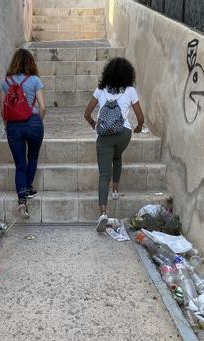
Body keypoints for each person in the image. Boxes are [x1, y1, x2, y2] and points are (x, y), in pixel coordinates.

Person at [83, 57, 144, 232]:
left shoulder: (101, 90)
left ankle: (103, 213)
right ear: (128, 74)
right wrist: (139, 127)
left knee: (103, 175)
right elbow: (140, 118)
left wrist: (94, 125)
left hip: (104, 136)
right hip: (124, 134)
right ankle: (115, 190)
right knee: (117, 156)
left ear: (107, 72)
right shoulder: (130, 90)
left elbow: (87, 113)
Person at [0, 48, 47, 219]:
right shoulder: (35, 80)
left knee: (20, 165)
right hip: (33, 123)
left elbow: (3, 110)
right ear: (30, 63)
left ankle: (22, 202)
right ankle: (28, 187)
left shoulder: (5, 82)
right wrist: (37, 122)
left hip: (14, 126)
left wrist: (7, 127)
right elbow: (43, 107)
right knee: (32, 157)